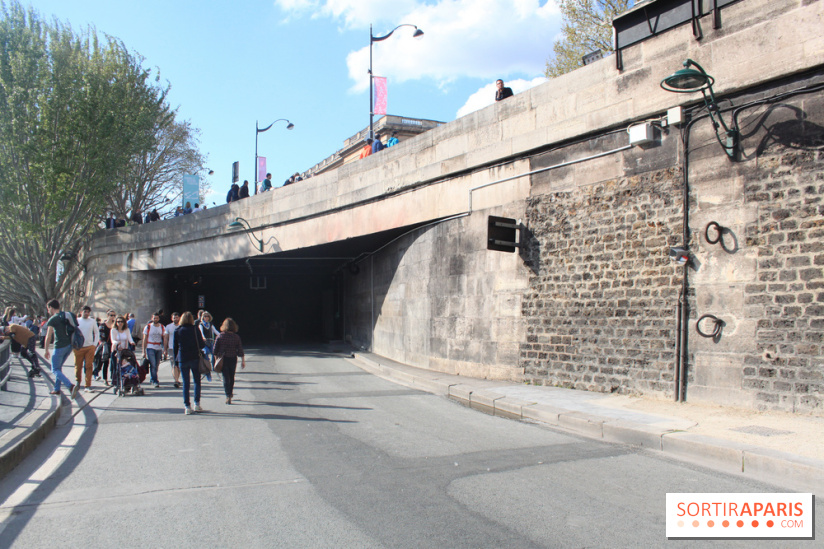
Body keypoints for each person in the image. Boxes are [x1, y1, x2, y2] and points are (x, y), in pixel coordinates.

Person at [42, 299, 79, 399]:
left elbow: (48, 336)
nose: (48, 311)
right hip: (69, 345)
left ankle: (70, 386)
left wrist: (46, 350)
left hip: (59, 346)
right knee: (59, 367)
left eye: (48, 309)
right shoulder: (66, 315)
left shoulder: (53, 319)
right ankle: (57, 388)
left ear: (51, 308)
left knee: (54, 369)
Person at [174, 311, 204, 415]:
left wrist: (175, 362)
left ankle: (187, 406)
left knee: (186, 383)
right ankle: (197, 404)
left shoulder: (178, 330)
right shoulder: (195, 329)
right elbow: (202, 344)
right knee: (197, 381)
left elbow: (175, 347)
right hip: (195, 357)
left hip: (183, 358)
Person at [213, 317, 245, 404]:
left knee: (225, 378)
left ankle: (227, 395)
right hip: (233, 358)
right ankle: (230, 393)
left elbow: (215, 350)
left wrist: (216, 360)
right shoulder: (236, 337)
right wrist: (243, 360)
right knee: (232, 377)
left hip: (223, 359)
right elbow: (240, 350)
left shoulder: (220, 336)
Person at [74, 305, 99, 393]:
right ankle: (78, 382)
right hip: (78, 347)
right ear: (82, 312)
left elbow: (96, 332)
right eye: (85, 311)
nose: (86, 313)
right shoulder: (77, 321)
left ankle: (88, 385)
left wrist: (94, 345)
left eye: (88, 312)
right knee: (78, 365)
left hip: (89, 347)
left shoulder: (92, 321)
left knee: (88, 366)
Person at [110, 315, 135, 391]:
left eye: (121, 322)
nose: (120, 323)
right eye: (118, 322)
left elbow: (129, 338)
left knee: (126, 366)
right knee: (116, 367)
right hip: (116, 350)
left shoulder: (126, 330)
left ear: (124, 322)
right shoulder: (113, 330)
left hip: (125, 351)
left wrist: (132, 342)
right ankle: (116, 382)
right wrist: (117, 343)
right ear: (116, 322)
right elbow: (113, 340)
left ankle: (126, 383)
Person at [142, 312, 166, 388]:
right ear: (152, 318)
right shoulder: (148, 327)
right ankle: (155, 380)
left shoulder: (162, 327)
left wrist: (165, 349)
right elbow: (144, 339)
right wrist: (143, 351)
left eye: (157, 318)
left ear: (159, 319)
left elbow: (165, 338)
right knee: (153, 364)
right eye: (154, 318)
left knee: (157, 365)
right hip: (150, 347)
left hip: (158, 347)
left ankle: (153, 379)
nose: (155, 319)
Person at [93, 311, 114, 383]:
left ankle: (112, 377)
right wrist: (102, 343)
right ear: (107, 315)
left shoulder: (115, 325)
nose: (113, 317)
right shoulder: (103, 325)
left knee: (113, 363)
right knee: (105, 362)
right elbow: (100, 336)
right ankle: (104, 378)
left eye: (114, 315)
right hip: (105, 346)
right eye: (111, 315)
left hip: (113, 345)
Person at [164, 312, 182, 389]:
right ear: (172, 318)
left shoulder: (182, 326)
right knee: (174, 364)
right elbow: (166, 338)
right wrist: (165, 349)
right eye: (174, 317)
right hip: (171, 348)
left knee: (179, 366)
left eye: (177, 317)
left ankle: (177, 378)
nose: (176, 319)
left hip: (180, 348)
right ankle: (176, 380)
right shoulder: (168, 327)